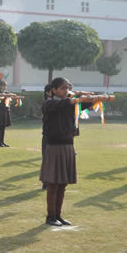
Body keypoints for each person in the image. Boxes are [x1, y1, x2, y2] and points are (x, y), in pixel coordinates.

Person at [40, 77, 79, 227]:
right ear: (54, 90)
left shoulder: (69, 102)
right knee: (53, 183)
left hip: (68, 145)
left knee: (63, 183)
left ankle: (58, 215)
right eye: (63, 88)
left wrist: (92, 99)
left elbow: (80, 104)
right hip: (54, 147)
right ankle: (50, 216)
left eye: (67, 88)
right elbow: (61, 104)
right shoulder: (49, 103)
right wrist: (73, 100)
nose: (66, 90)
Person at [40, 83, 52, 190]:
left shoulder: (52, 102)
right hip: (48, 135)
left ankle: (48, 182)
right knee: (47, 160)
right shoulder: (48, 103)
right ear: (48, 92)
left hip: (51, 136)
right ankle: (46, 182)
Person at [0, 80, 12, 147]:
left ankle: (2, 141)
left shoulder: (7, 92)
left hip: (5, 111)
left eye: (5, 85)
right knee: (0, 127)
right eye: (3, 85)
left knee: (3, 127)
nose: (4, 87)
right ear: (0, 86)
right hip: (0, 111)